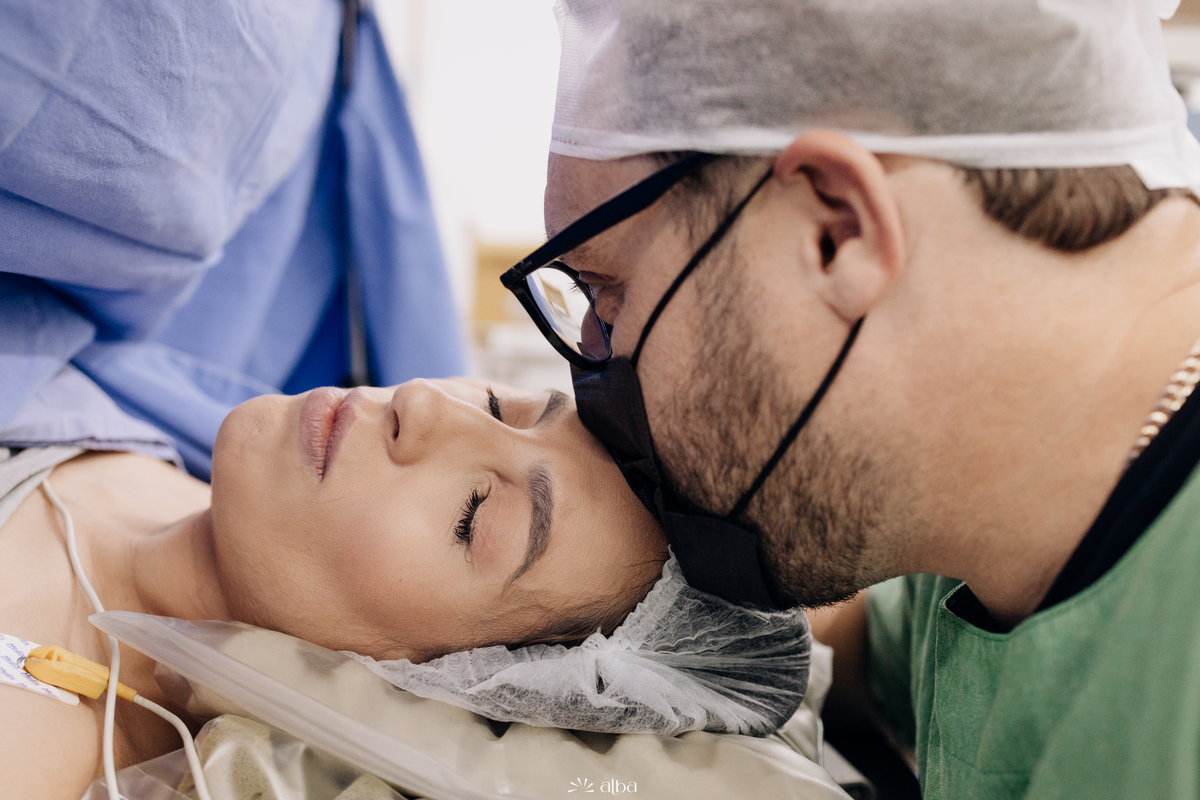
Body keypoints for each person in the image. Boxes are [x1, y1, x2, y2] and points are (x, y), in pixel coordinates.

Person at [504, 1, 1200, 797]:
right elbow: (839, 644)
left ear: (837, 229)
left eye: (608, 294)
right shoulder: (984, 510)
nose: (593, 360)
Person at [0, 379, 668, 799]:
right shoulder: (172, 421)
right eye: (500, 405)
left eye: (473, 513)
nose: (426, 404)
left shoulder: (25, 759)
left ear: (440, 679)